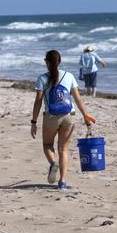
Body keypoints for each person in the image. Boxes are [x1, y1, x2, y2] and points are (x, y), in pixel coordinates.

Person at [31, 50, 97, 190]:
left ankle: (52, 163)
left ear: (46, 62)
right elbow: (77, 99)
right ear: (60, 62)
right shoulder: (69, 76)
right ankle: (62, 182)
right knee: (63, 149)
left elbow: (38, 101)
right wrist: (86, 116)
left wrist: (34, 122)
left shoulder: (42, 78)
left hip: (50, 117)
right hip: (68, 116)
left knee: (47, 145)